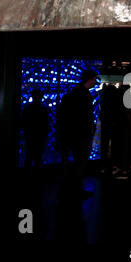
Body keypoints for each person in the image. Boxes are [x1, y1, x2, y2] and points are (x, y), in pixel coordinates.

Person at [56, 69, 98, 198]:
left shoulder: (71, 94)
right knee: (80, 163)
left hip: (71, 134)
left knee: (73, 162)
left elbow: (63, 115)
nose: (95, 82)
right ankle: (76, 190)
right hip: (81, 135)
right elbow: (85, 117)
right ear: (89, 79)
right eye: (94, 79)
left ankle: (68, 189)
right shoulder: (84, 95)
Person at [21, 89, 50, 173]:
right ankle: (38, 176)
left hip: (30, 135)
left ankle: (28, 175)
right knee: (39, 156)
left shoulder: (27, 109)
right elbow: (47, 123)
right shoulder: (43, 109)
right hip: (40, 136)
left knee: (29, 156)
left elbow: (23, 123)